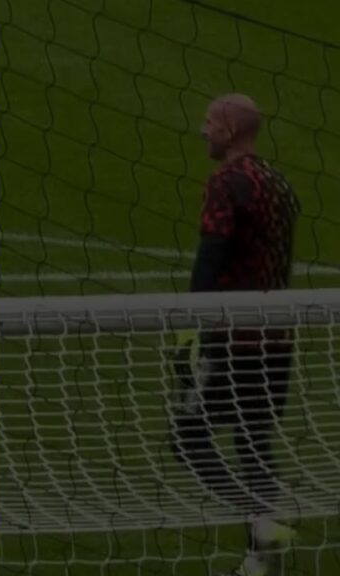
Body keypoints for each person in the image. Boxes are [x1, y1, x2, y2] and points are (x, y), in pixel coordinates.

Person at [171, 93, 300, 576]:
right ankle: (259, 561)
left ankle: (262, 519)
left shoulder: (228, 181)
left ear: (228, 129)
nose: (202, 130)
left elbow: (212, 256)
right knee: (252, 441)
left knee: (187, 438)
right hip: (278, 338)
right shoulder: (279, 183)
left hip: (233, 340)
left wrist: (191, 331)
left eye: (208, 122)